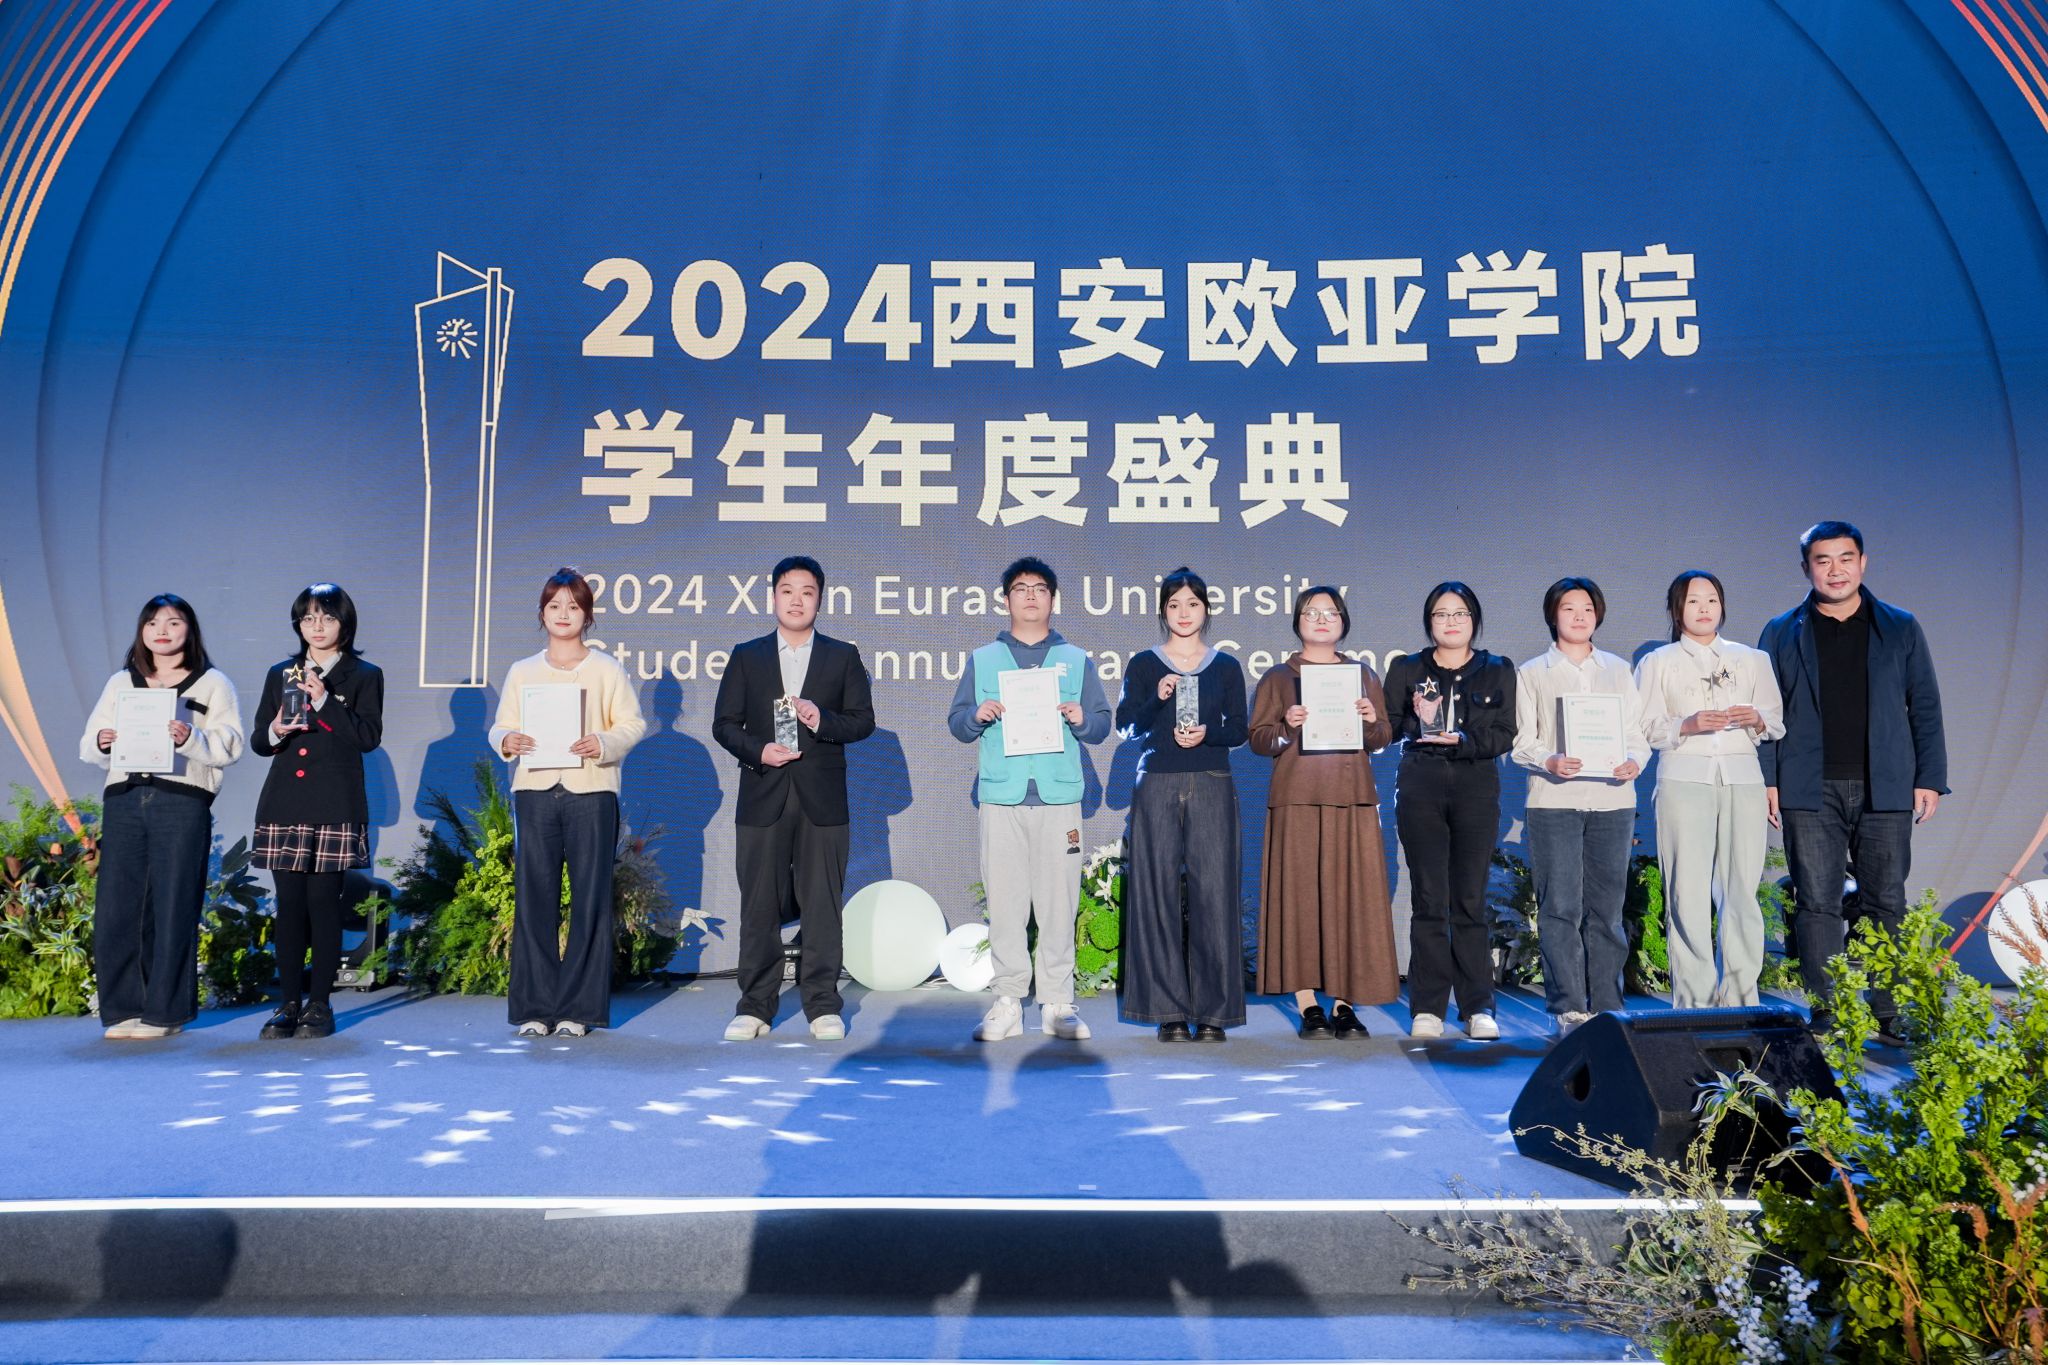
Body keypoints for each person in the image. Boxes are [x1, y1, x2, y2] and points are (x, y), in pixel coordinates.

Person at [1758, 521, 1945, 1038]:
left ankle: (1890, 1011)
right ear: (1807, 568)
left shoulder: (1900, 626)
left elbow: (1924, 704)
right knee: (1816, 902)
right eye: (1823, 560)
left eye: (1845, 558)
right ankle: (1828, 1008)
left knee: (1886, 901)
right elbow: (1765, 712)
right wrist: (1768, 778)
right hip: (1807, 785)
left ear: (1863, 562)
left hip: (1885, 785)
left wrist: (1930, 777)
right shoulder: (1781, 631)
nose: (1835, 570)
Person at [948, 556, 1112, 1043]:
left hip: (1059, 799)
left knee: (1059, 905)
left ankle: (1058, 1003)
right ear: (1006, 600)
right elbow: (958, 724)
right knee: (1006, 904)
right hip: (1003, 797)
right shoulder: (983, 659)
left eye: (1040, 588)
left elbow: (1101, 725)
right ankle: (1007, 1002)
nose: (1031, 596)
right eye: (1021, 588)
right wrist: (976, 715)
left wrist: (1081, 718)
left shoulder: (1076, 660)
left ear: (1053, 599)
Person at [712, 555, 875, 1041]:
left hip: (822, 800)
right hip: (763, 794)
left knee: (822, 905)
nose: (797, 600)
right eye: (788, 591)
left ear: (820, 600)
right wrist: (758, 750)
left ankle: (822, 1004)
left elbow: (862, 721)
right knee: (758, 905)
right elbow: (724, 724)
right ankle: (754, 1006)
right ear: (773, 598)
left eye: (807, 592)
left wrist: (821, 719)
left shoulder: (842, 656)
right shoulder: (748, 655)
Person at [490, 567, 647, 1038]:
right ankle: (535, 1008)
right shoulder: (523, 670)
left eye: (573, 606)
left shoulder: (606, 668)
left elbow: (632, 724)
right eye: (555, 605)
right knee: (534, 899)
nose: (563, 614)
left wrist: (603, 742)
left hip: (592, 792)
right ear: (542, 613)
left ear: (587, 616)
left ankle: (579, 1010)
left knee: (590, 901)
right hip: (535, 793)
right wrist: (507, 740)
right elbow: (500, 726)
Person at [80, 595, 245, 1040]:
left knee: (174, 903)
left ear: (189, 630)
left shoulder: (212, 683)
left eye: (173, 622)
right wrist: (103, 741)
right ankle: (122, 1009)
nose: (162, 631)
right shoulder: (121, 682)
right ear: (142, 631)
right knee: (117, 905)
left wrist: (191, 738)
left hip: (181, 799)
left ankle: (165, 1013)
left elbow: (230, 744)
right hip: (125, 797)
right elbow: (88, 744)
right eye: (153, 623)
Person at [1248, 586, 1396, 1040]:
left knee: (1350, 898)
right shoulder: (1279, 677)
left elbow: (1382, 737)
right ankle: (1308, 1004)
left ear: (1343, 621)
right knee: (1299, 900)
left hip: (1350, 798)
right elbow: (1259, 740)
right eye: (1311, 612)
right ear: (1297, 621)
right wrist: (1286, 726)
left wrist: (1370, 721)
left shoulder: (1362, 674)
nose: (1321, 619)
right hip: (1296, 798)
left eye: (1330, 612)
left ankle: (1345, 1004)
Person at [1635, 571, 1784, 1008]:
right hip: (1684, 779)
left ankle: (1740, 996)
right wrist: (1686, 724)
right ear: (1676, 609)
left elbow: (1776, 721)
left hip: (1742, 778)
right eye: (1693, 601)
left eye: (1712, 600)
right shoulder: (1658, 662)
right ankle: (1694, 1000)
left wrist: (1756, 718)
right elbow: (1643, 727)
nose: (1704, 609)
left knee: (1741, 891)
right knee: (1687, 892)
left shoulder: (1752, 659)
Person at [1114, 567, 1248, 1042]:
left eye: (1193, 604)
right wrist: (1157, 698)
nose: (1184, 613)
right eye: (1174, 605)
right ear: (1162, 612)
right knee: (1156, 894)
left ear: (1206, 610)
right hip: (1156, 782)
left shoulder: (1225, 666)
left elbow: (1241, 729)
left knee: (1215, 894)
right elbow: (1125, 726)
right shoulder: (1144, 664)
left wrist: (1209, 733)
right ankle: (1167, 1011)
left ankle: (1214, 1014)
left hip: (1211, 780)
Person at [1512, 577, 1649, 1033]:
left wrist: (1635, 761)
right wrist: (1548, 759)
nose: (1579, 616)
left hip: (1613, 800)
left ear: (1598, 614)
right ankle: (1568, 1007)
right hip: (1554, 801)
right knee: (1560, 908)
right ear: (1553, 615)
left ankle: (1608, 1006)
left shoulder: (1618, 670)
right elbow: (1521, 742)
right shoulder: (1534, 672)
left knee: (1607, 911)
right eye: (1569, 608)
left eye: (1587, 608)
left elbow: (1636, 735)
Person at [1382, 582, 1517, 1040]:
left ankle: (1478, 1006)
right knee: (1428, 899)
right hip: (1420, 782)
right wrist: (1418, 720)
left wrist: (1465, 740)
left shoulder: (1497, 669)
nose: (1451, 621)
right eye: (1441, 614)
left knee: (1470, 899)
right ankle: (1428, 1008)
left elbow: (1505, 733)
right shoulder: (1407, 668)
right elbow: (1389, 726)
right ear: (1429, 621)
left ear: (1473, 620)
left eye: (1460, 613)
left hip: (1475, 784)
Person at [250, 583, 383, 1041]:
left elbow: (367, 738)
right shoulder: (280, 673)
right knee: (289, 905)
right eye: (308, 618)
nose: (317, 626)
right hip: (285, 800)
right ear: (298, 625)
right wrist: (275, 728)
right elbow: (260, 742)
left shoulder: (363, 675)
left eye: (327, 617)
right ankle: (288, 1003)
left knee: (324, 904)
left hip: (334, 804)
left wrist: (325, 701)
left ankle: (320, 1005)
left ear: (345, 624)